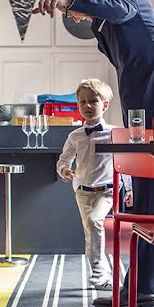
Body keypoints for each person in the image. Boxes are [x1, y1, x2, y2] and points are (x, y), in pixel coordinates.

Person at [33, 0, 154, 307]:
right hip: (140, 99)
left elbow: (119, 10)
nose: (72, 16)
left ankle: (144, 286)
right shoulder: (98, 25)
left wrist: (69, 0)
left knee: (151, 190)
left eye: (68, 10)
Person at [57, 78, 131, 290]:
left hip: (108, 191)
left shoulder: (115, 133)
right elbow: (63, 159)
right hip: (82, 191)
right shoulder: (75, 136)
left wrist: (130, 188)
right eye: (82, 102)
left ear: (104, 105)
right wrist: (64, 170)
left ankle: (100, 276)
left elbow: (124, 162)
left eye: (93, 101)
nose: (87, 106)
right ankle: (100, 274)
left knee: (95, 220)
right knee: (90, 231)